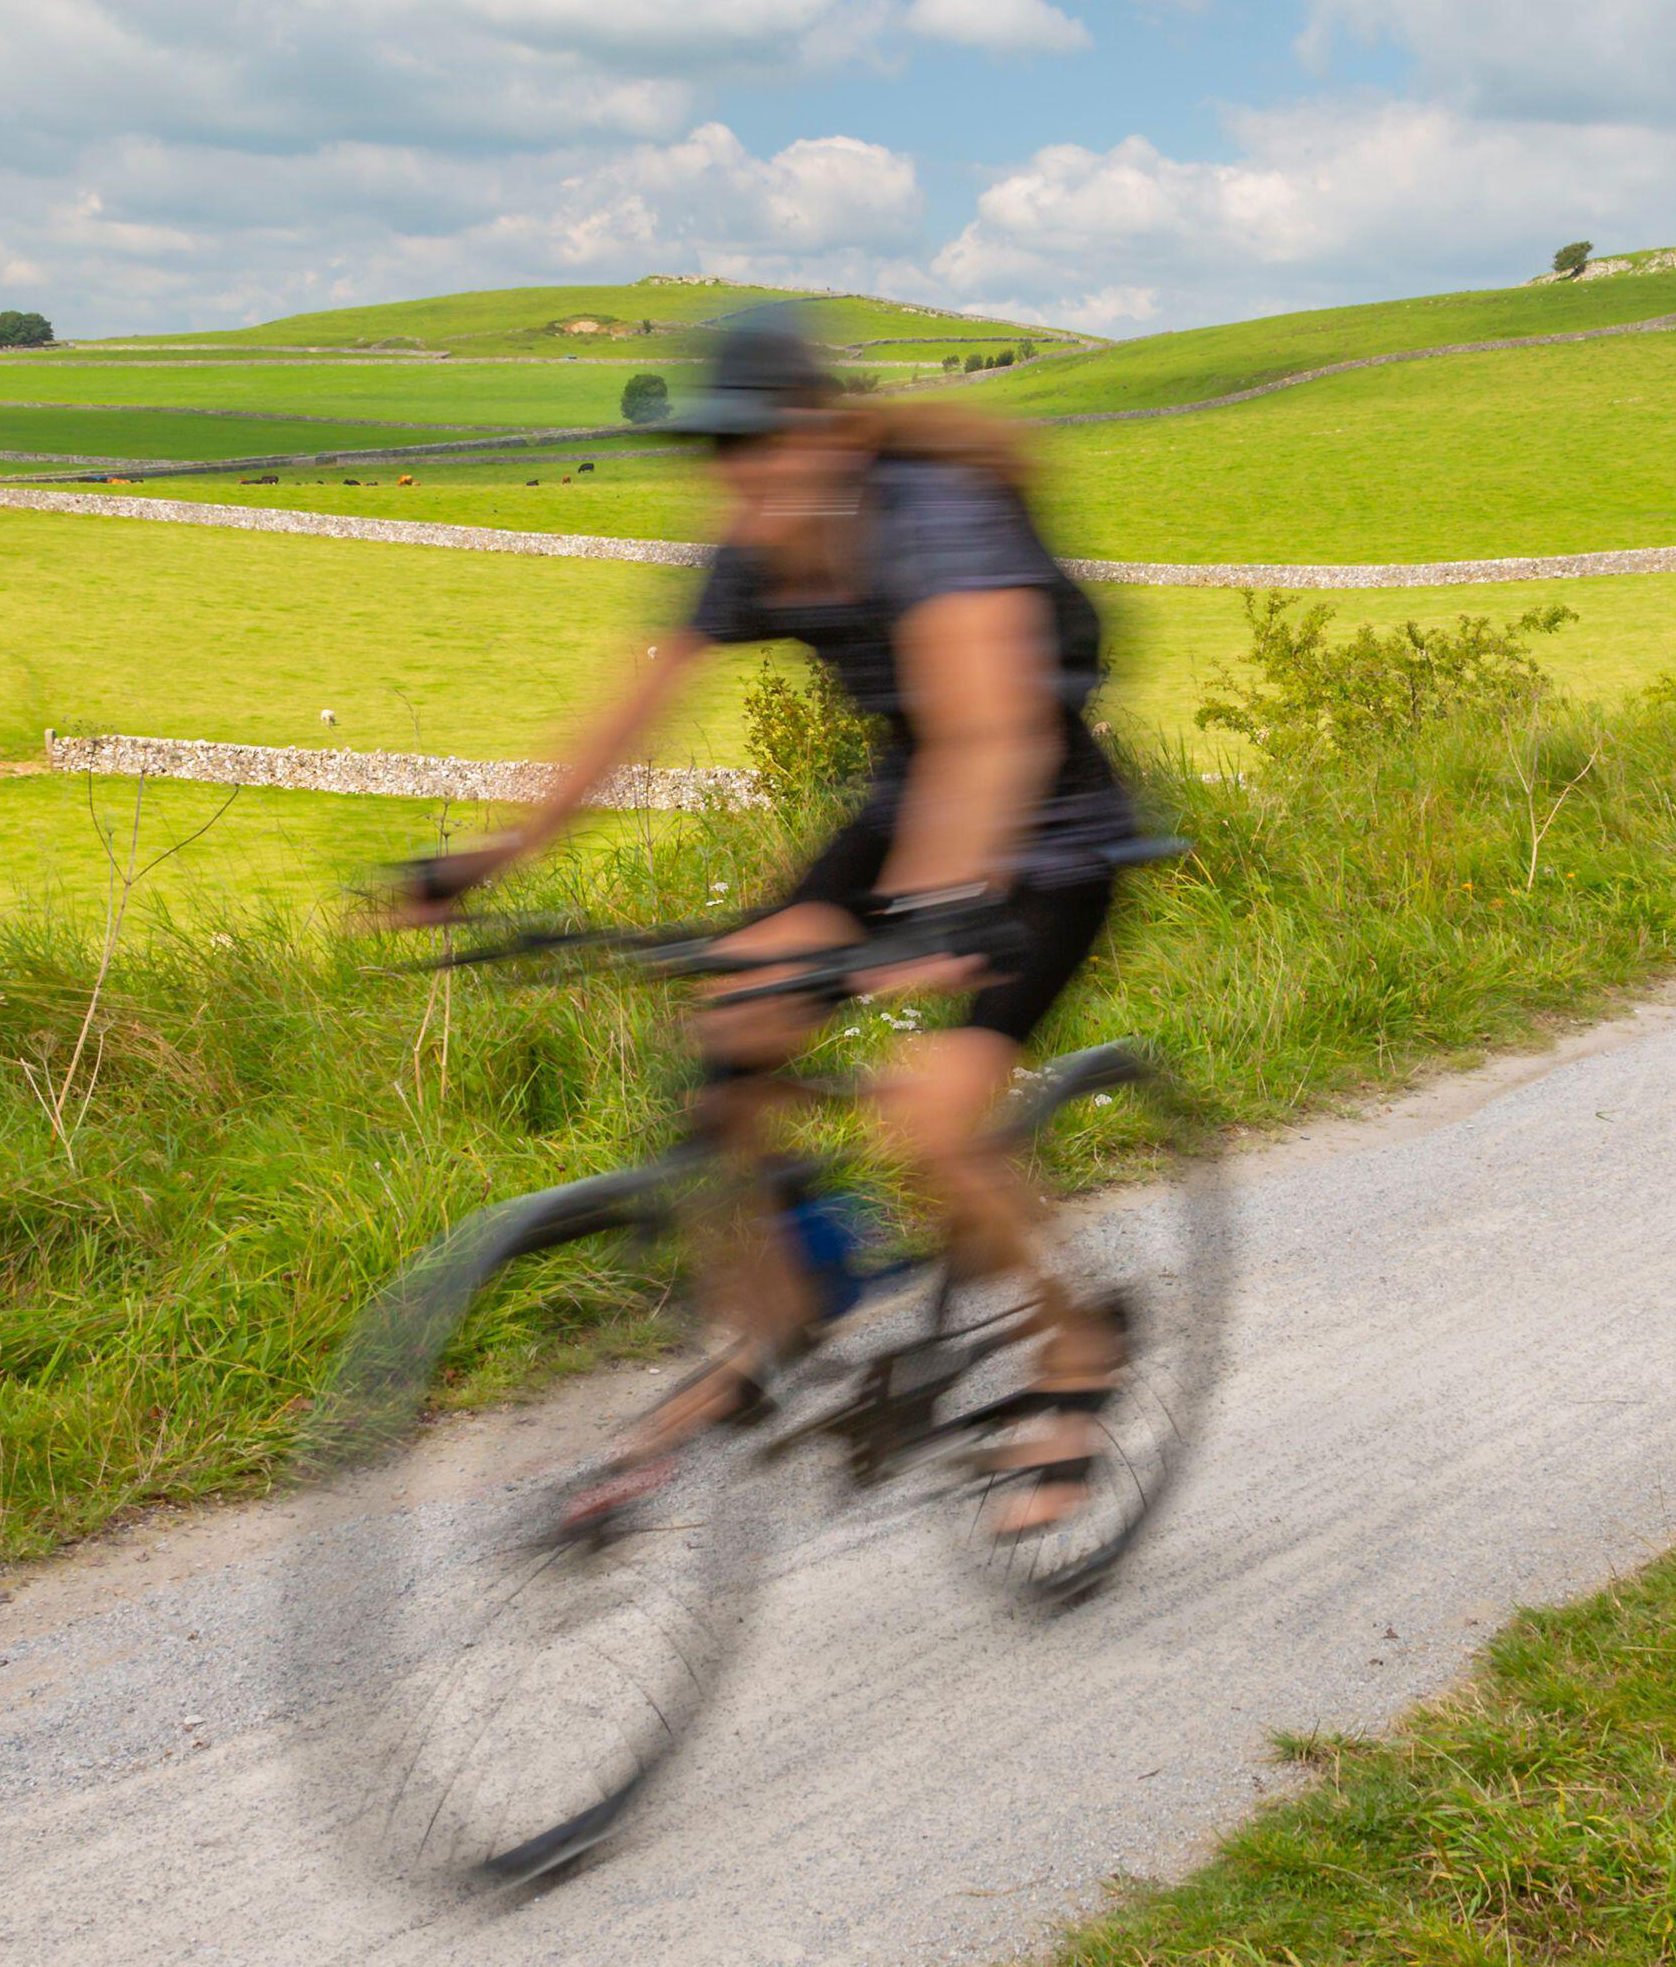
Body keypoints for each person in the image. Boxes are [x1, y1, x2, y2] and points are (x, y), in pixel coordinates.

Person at [388, 307, 1151, 1539]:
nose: (732, 476)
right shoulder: (746, 550)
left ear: (823, 435)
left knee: (930, 1113)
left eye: (752, 445)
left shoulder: (931, 518)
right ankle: (776, 1321)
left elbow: (989, 731)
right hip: (903, 818)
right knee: (730, 1023)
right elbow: (627, 717)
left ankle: (1076, 1343)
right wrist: (489, 858)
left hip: (1044, 836)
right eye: (713, 452)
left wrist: (947, 913)